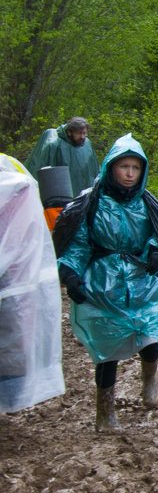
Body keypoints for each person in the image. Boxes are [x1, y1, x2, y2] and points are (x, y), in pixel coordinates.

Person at [56, 134, 158, 432]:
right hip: (103, 282)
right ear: (111, 167)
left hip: (142, 279)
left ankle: (150, 381)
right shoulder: (92, 202)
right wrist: (70, 273)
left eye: (135, 167)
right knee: (106, 350)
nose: (130, 174)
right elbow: (79, 243)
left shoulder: (147, 203)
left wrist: (156, 252)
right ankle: (104, 411)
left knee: (150, 336)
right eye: (124, 167)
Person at [0, 156, 65, 413]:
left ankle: (12, 395)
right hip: (17, 282)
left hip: (15, 282)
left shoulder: (11, 173)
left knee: (14, 345)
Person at [24, 116, 100, 197]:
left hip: (83, 197)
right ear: (69, 132)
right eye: (78, 133)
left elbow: (94, 170)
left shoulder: (87, 145)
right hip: (60, 197)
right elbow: (42, 172)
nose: (82, 137)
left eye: (84, 133)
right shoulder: (54, 145)